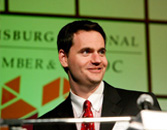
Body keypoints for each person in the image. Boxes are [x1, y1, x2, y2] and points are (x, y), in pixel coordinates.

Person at [33, 20, 161, 130]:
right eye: (86, 52)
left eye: (101, 52)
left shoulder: (139, 106)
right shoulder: (46, 124)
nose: (97, 60)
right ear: (64, 58)